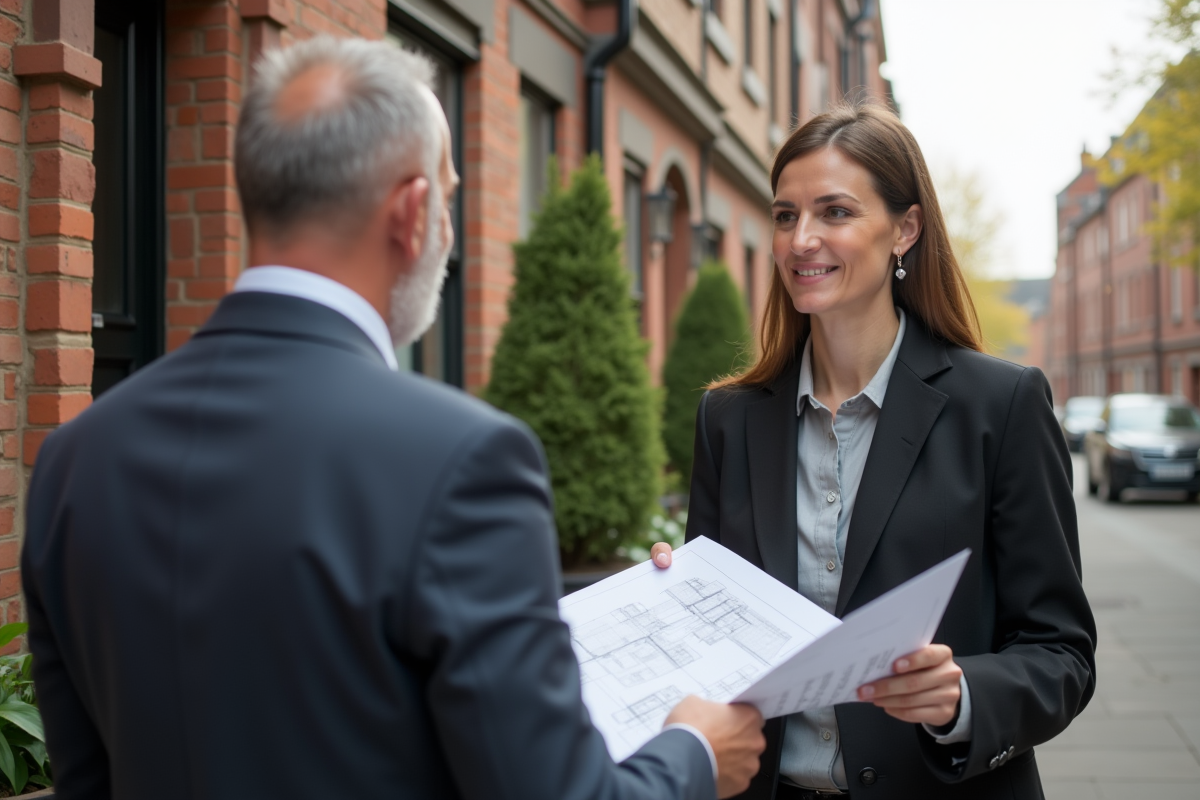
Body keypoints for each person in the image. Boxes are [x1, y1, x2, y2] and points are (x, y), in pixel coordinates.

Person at [22, 37, 766, 800]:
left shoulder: (75, 458)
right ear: (413, 212)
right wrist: (694, 753)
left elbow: (87, 781)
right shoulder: (465, 460)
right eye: (448, 195)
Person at [649, 102, 1096, 799]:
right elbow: (716, 648)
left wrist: (961, 695)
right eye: (785, 215)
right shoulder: (728, 419)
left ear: (904, 230)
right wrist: (669, 602)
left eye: (835, 213)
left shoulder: (1001, 406)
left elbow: (1061, 653)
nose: (802, 240)